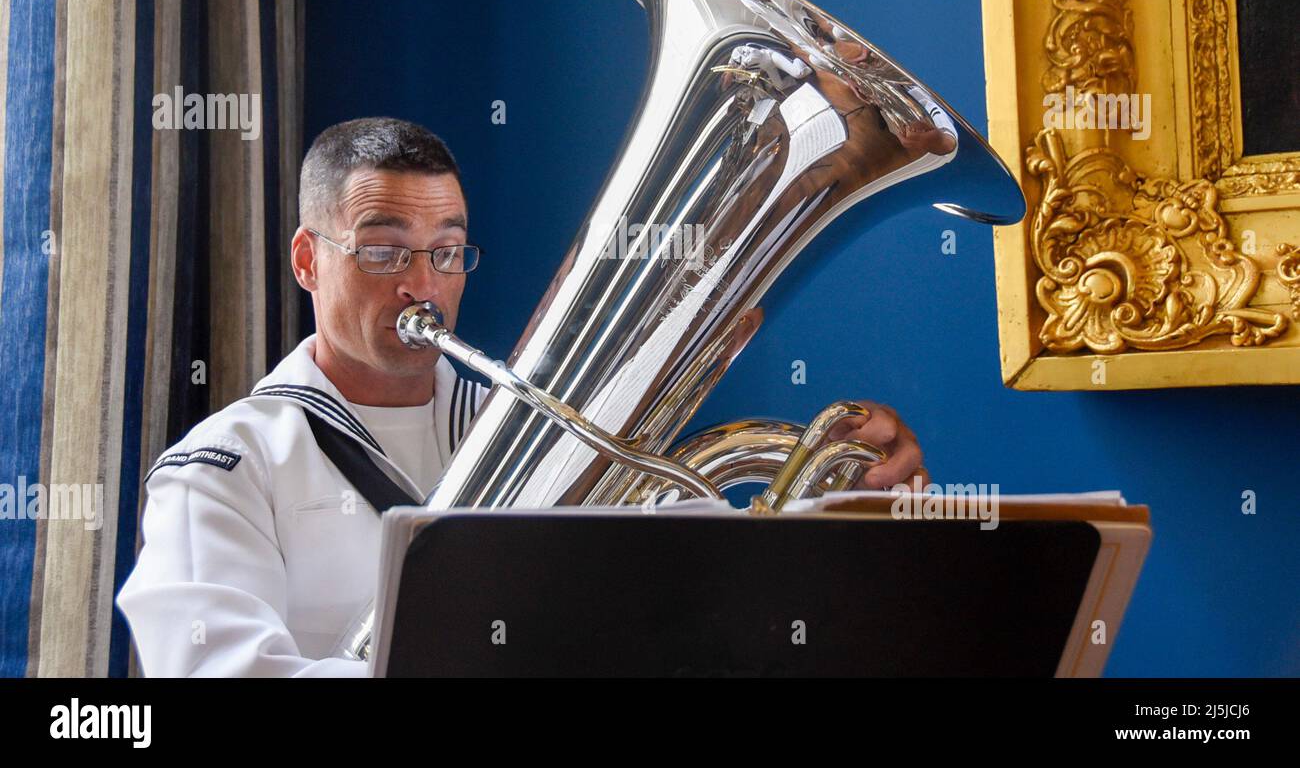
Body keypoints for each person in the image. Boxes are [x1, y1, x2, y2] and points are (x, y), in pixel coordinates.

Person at [117, 117, 928, 677]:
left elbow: (717, 591)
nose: (421, 286)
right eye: (383, 251)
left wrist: (844, 513)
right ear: (306, 259)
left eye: (447, 252)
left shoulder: (537, 433)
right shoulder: (224, 469)